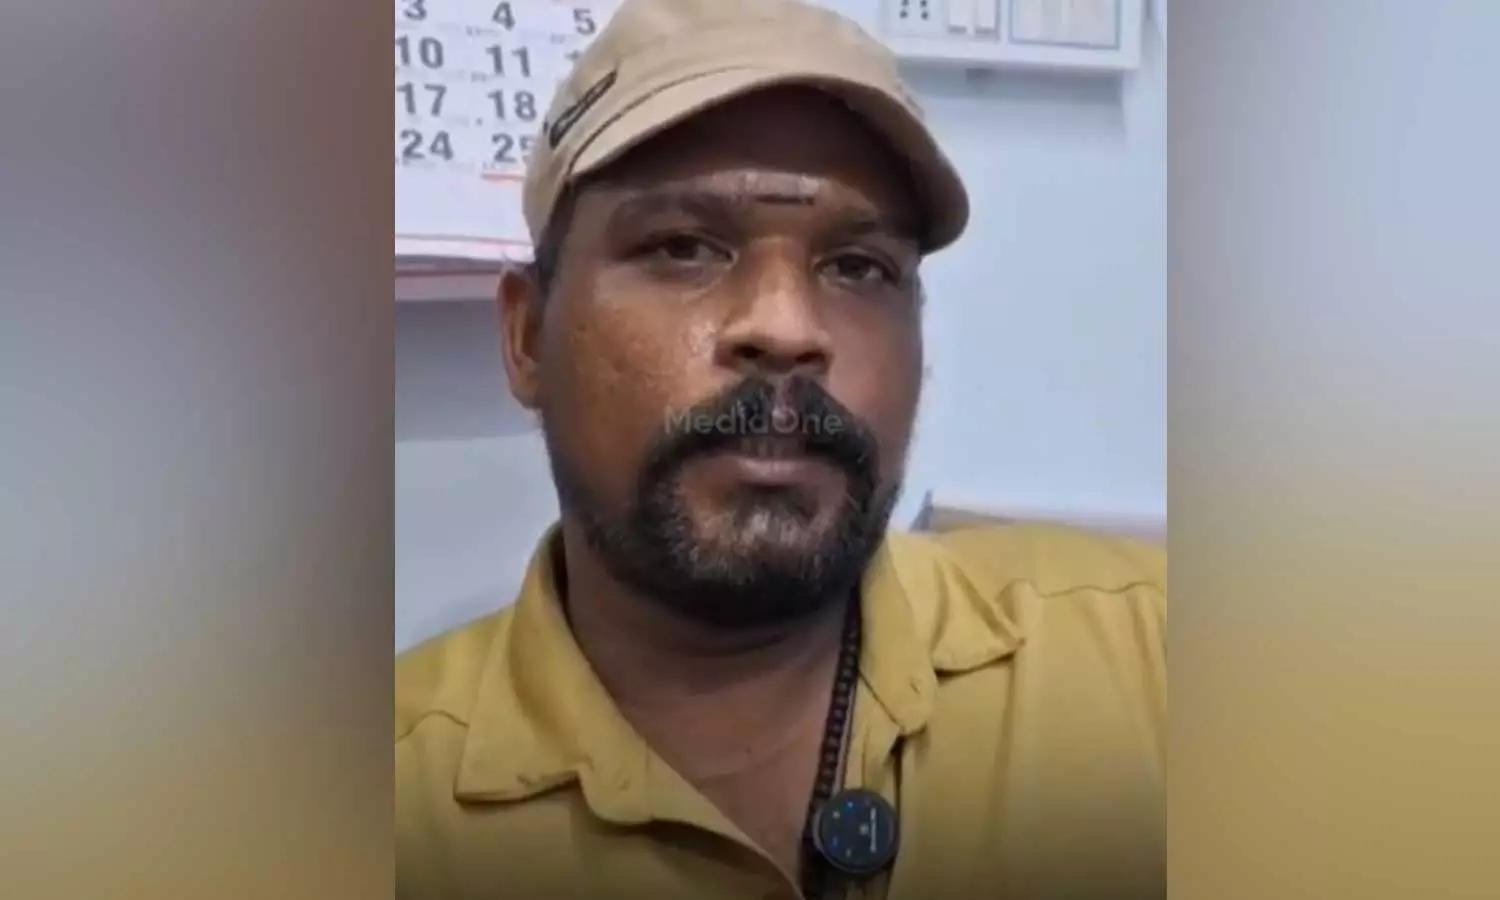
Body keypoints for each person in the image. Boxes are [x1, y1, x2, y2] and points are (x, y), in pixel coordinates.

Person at [395, 0, 1165, 897]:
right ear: (527, 338)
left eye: (858, 267)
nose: (788, 328)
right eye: (682, 248)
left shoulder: (1152, 660)